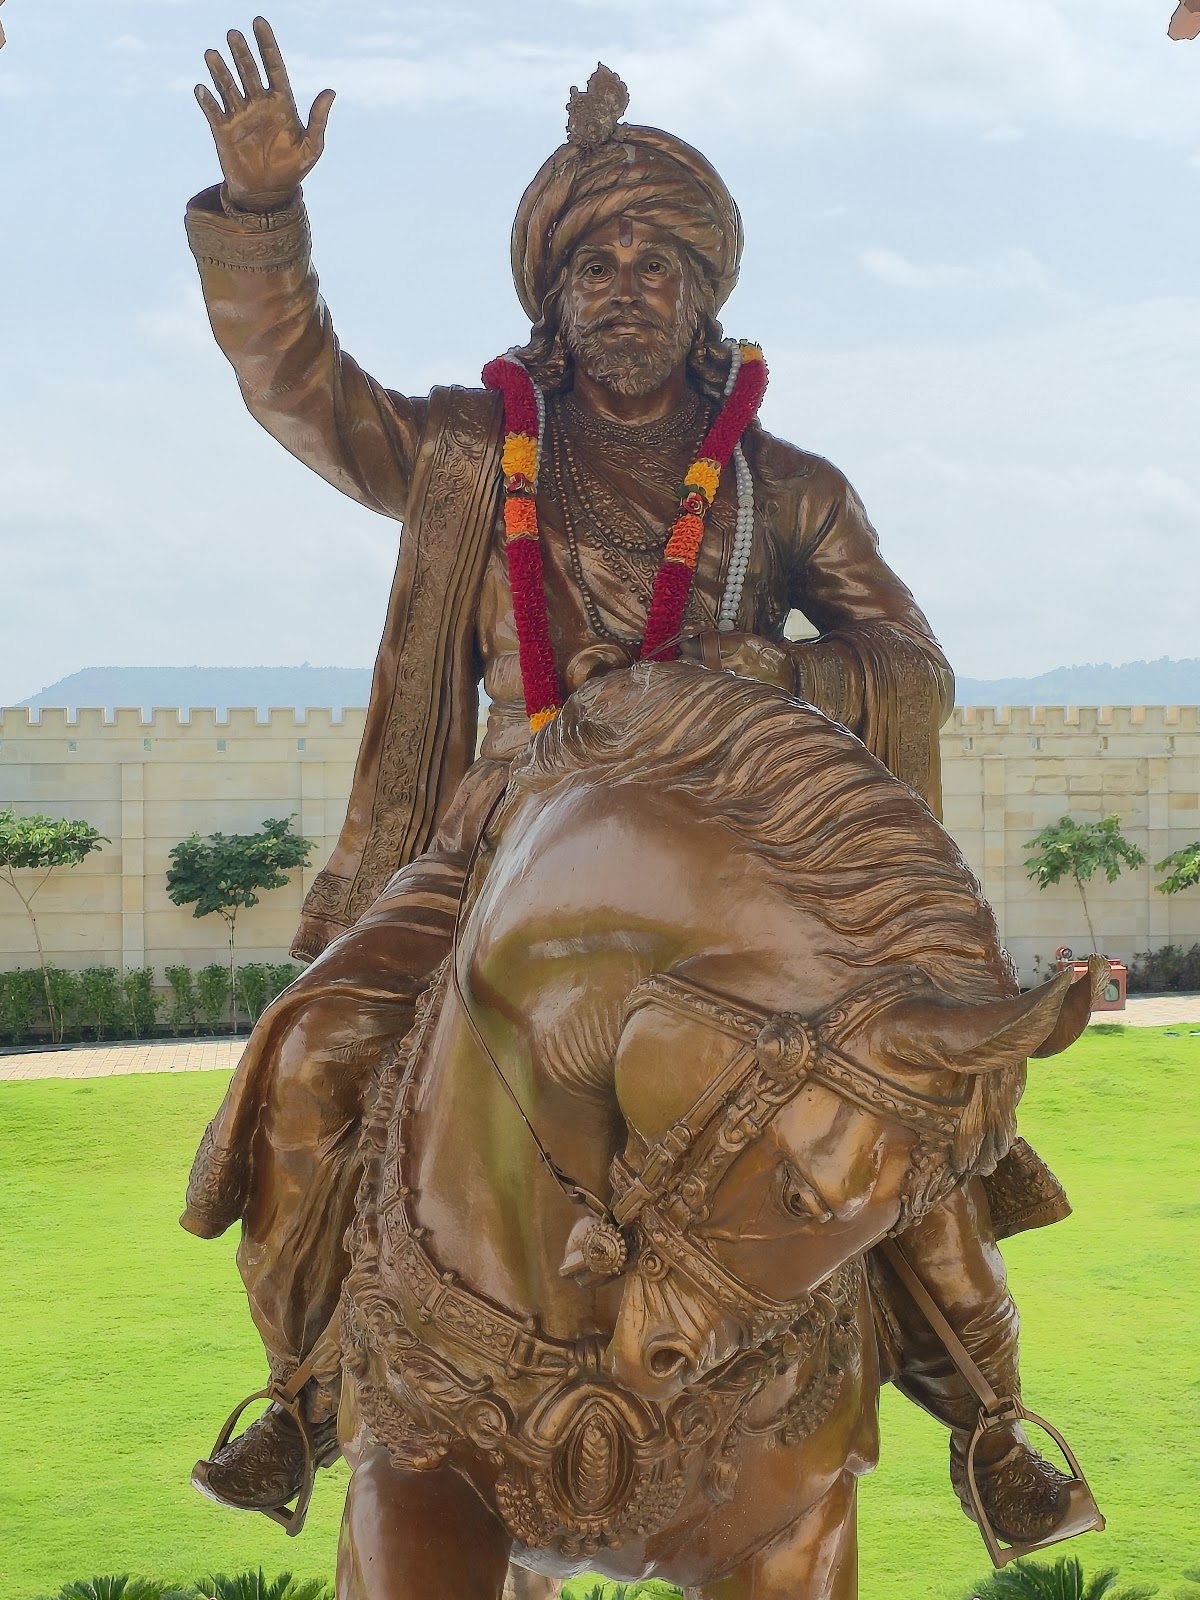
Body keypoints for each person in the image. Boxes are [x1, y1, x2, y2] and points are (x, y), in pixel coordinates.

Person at [182, 18, 1078, 1554]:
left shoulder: (790, 488)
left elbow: (910, 667)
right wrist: (265, 220)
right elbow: (303, 392)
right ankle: (303, 1385)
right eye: (594, 263)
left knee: (887, 1101)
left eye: (659, 263)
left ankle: (995, 1418)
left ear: (707, 294)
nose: (625, 287)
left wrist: (757, 672)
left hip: (723, 869)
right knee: (323, 1048)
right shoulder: (472, 453)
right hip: (500, 843)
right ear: (552, 295)